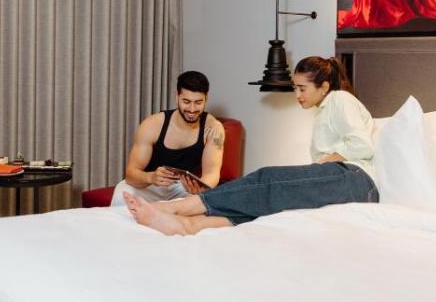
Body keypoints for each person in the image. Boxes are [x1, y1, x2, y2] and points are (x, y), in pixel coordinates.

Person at [124, 56, 377, 235]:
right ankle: (189, 226)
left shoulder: (340, 99)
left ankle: (173, 208)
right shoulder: (324, 111)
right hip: (343, 181)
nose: (297, 95)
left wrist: (323, 162)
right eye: (295, 88)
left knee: (267, 178)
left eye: (302, 88)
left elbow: (362, 145)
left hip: (355, 179)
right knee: (262, 203)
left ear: (324, 87)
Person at [112, 70, 226, 206]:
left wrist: (200, 188)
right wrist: (151, 177)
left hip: (183, 189)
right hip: (151, 185)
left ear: (206, 98)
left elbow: (212, 173)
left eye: (198, 102)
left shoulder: (214, 128)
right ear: (177, 97)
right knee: (122, 192)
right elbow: (131, 174)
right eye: (186, 101)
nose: (192, 109)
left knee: (203, 202)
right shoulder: (152, 124)